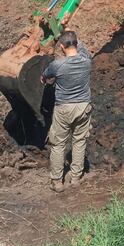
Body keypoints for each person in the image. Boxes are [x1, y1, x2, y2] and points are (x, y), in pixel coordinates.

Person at [40, 30, 93, 193]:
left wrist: (43, 78)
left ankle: (57, 181)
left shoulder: (58, 65)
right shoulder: (86, 61)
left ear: (62, 47)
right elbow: (83, 49)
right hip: (83, 106)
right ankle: (76, 178)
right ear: (76, 44)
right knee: (79, 141)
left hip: (64, 108)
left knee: (58, 144)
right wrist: (73, 34)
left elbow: (45, 77)